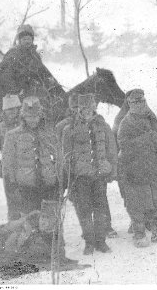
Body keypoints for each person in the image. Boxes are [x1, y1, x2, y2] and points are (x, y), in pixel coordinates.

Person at [116, 89, 157, 247]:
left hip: (153, 166)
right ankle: (139, 235)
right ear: (129, 104)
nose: (139, 104)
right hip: (134, 168)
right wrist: (146, 139)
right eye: (135, 102)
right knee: (137, 204)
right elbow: (123, 145)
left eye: (142, 101)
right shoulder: (126, 122)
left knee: (155, 202)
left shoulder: (151, 118)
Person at [59, 93, 115, 255]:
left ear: (94, 108)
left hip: (99, 176)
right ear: (78, 110)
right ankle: (89, 242)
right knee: (84, 210)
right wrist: (70, 176)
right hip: (80, 177)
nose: (87, 111)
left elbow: (111, 150)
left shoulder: (103, 126)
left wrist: (111, 170)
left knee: (100, 209)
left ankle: (101, 242)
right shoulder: (69, 129)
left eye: (90, 108)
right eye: (83, 108)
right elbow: (66, 155)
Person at [1, 96, 58, 215]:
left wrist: (59, 179)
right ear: (23, 117)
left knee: (51, 223)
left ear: (40, 116)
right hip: (27, 188)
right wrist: (12, 186)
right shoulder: (12, 136)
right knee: (31, 224)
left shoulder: (49, 134)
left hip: (49, 186)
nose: (33, 120)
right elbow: (8, 164)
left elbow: (59, 156)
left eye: (36, 116)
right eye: (29, 116)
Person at [0, 25, 60, 110]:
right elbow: (6, 77)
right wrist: (18, 91)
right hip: (12, 94)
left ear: (32, 40)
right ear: (20, 41)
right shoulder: (13, 55)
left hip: (27, 93)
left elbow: (43, 73)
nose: (27, 41)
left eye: (29, 39)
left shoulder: (34, 55)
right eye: (24, 39)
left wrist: (54, 86)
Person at [0, 94, 23, 221]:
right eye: (9, 109)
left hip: (31, 173)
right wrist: (4, 172)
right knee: (15, 212)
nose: (13, 112)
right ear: (4, 111)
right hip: (11, 177)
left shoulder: (27, 125)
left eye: (15, 108)